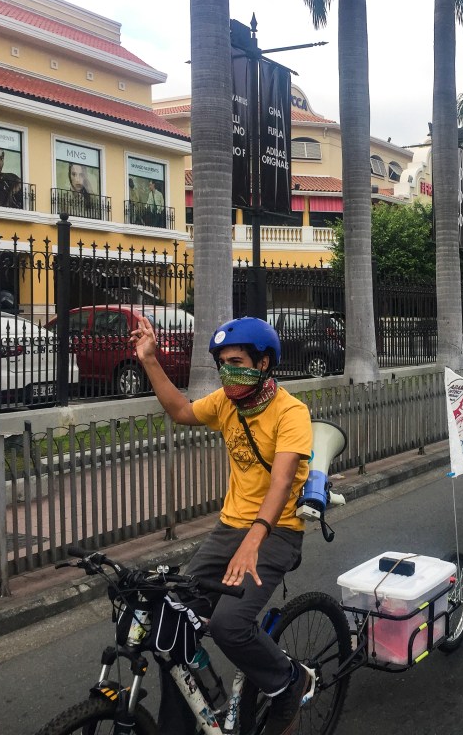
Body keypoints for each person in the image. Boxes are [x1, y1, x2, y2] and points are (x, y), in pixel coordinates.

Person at [131, 315, 314, 735]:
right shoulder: (226, 402)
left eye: (236, 361)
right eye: (222, 363)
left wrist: (255, 537)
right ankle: (190, 719)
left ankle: (287, 682)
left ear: (264, 363)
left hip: (277, 531)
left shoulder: (291, 412)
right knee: (171, 626)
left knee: (230, 626)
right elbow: (180, 411)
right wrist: (150, 360)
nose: (227, 371)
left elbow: (283, 481)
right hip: (229, 530)